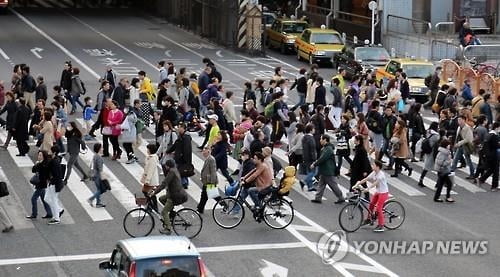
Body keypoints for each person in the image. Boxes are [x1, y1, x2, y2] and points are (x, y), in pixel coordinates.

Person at [150, 159, 188, 235]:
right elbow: (166, 183)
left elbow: (164, 183)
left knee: (164, 212)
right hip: (176, 193)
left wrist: (154, 192)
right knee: (161, 199)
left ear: (168, 166)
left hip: (175, 195)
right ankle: (172, 213)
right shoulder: (174, 170)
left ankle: (168, 228)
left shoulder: (171, 172)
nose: (165, 166)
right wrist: (157, 188)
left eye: (166, 165)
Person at [354, 160, 390, 233]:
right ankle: (369, 219)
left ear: (377, 167)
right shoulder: (374, 172)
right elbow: (366, 179)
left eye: (373, 165)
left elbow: (375, 183)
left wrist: (368, 189)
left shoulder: (381, 175)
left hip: (383, 193)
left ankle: (381, 225)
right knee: (371, 205)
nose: (372, 166)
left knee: (379, 209)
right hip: (378, 192)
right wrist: (357, 184)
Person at [310, 135, 345, 204]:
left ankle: (341, 197)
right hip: (324, 170)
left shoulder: (328, 149)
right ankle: (318, 198)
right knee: (321, 184)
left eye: (321, 139)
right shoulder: (326, 148)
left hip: (328, 170)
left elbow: (323, 158)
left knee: (333, 185)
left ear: (325, 140)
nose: (320, 140)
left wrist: (314, 164)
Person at [26, 150, 53, 220]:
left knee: (33, 199)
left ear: (44, 156)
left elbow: (44, 174)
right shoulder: (40, 163)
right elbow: (33, 170)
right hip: (41, 184)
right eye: (38, 155)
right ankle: (49, 213)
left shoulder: (45, 164)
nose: (39, 156)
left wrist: (38, 164)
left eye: (40, 155)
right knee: (44, 199)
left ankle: (34, 214)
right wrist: (36, 164)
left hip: (41, 184)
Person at [167, 123, 192, 189]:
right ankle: (185, 183)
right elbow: (175, 144)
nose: (178, 129)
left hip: (182, 158)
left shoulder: (186, 137)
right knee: (183, 171)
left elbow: (187, 149)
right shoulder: (181, 136)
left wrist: (184, 158)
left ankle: (183, 183)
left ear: (183, 128)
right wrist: (168, 151)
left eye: (179, 127)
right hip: (180, 157)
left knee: (181, 171)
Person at [476, 121, 499, 191]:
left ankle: (481, 179)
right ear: (497, 127)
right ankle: (494, 186)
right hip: (493, 155)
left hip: (488, 155)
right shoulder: (494, 135)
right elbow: (495, 145)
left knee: (492, 169)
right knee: (495, 171)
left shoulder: (489, 134)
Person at [45, 146, 65, 225]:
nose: (49, 151)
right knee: (46, 198)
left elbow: (57, 175)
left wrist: (53, 182)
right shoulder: (54, 159)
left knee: (54, 200)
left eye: (50, 150)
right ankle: (59, 210)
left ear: (54, 152)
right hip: (52, 183)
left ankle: (56, 218)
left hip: (55, 184)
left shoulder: (55, 161)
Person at [417, 122, 440, 187]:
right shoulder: (436, 135)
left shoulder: (427, 132)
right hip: (433, 152)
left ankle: (421, 179)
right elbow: (439, 142)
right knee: (438, 168)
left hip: (427, 151)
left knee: (426, 167)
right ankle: (438, 183)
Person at [197, 146, 219, 213]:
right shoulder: (208, 159)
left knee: (213, 195)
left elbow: (213, 171)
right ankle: (200, 208)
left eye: (204, 152)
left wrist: (212, 182)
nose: (203, 153)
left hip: (209, 181)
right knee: (204, 195)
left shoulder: (211, 159)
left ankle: (224, 204)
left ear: (208, 151)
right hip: (207, 180)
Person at [87, 143, 106, 208]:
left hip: (94, 175)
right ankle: (91, 199)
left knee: (98, 189)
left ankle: (98, 203)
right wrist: (103, 177)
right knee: (101, 190)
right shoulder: (99, 158)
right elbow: (100, 169)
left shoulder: (95, 156)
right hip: (98, 176)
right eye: (102, 148)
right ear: (99, 149)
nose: (103, 149)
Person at [301, 124, 317, 191]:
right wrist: (314, 159)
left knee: (309, 171)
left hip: (305, 156)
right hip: (310, 158)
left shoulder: (304, 137)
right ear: (311, 130)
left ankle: (310, 186)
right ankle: (304, 181)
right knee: (313, 172)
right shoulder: (311, 138)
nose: (314, 130)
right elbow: (312, 149)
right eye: (313, 129)